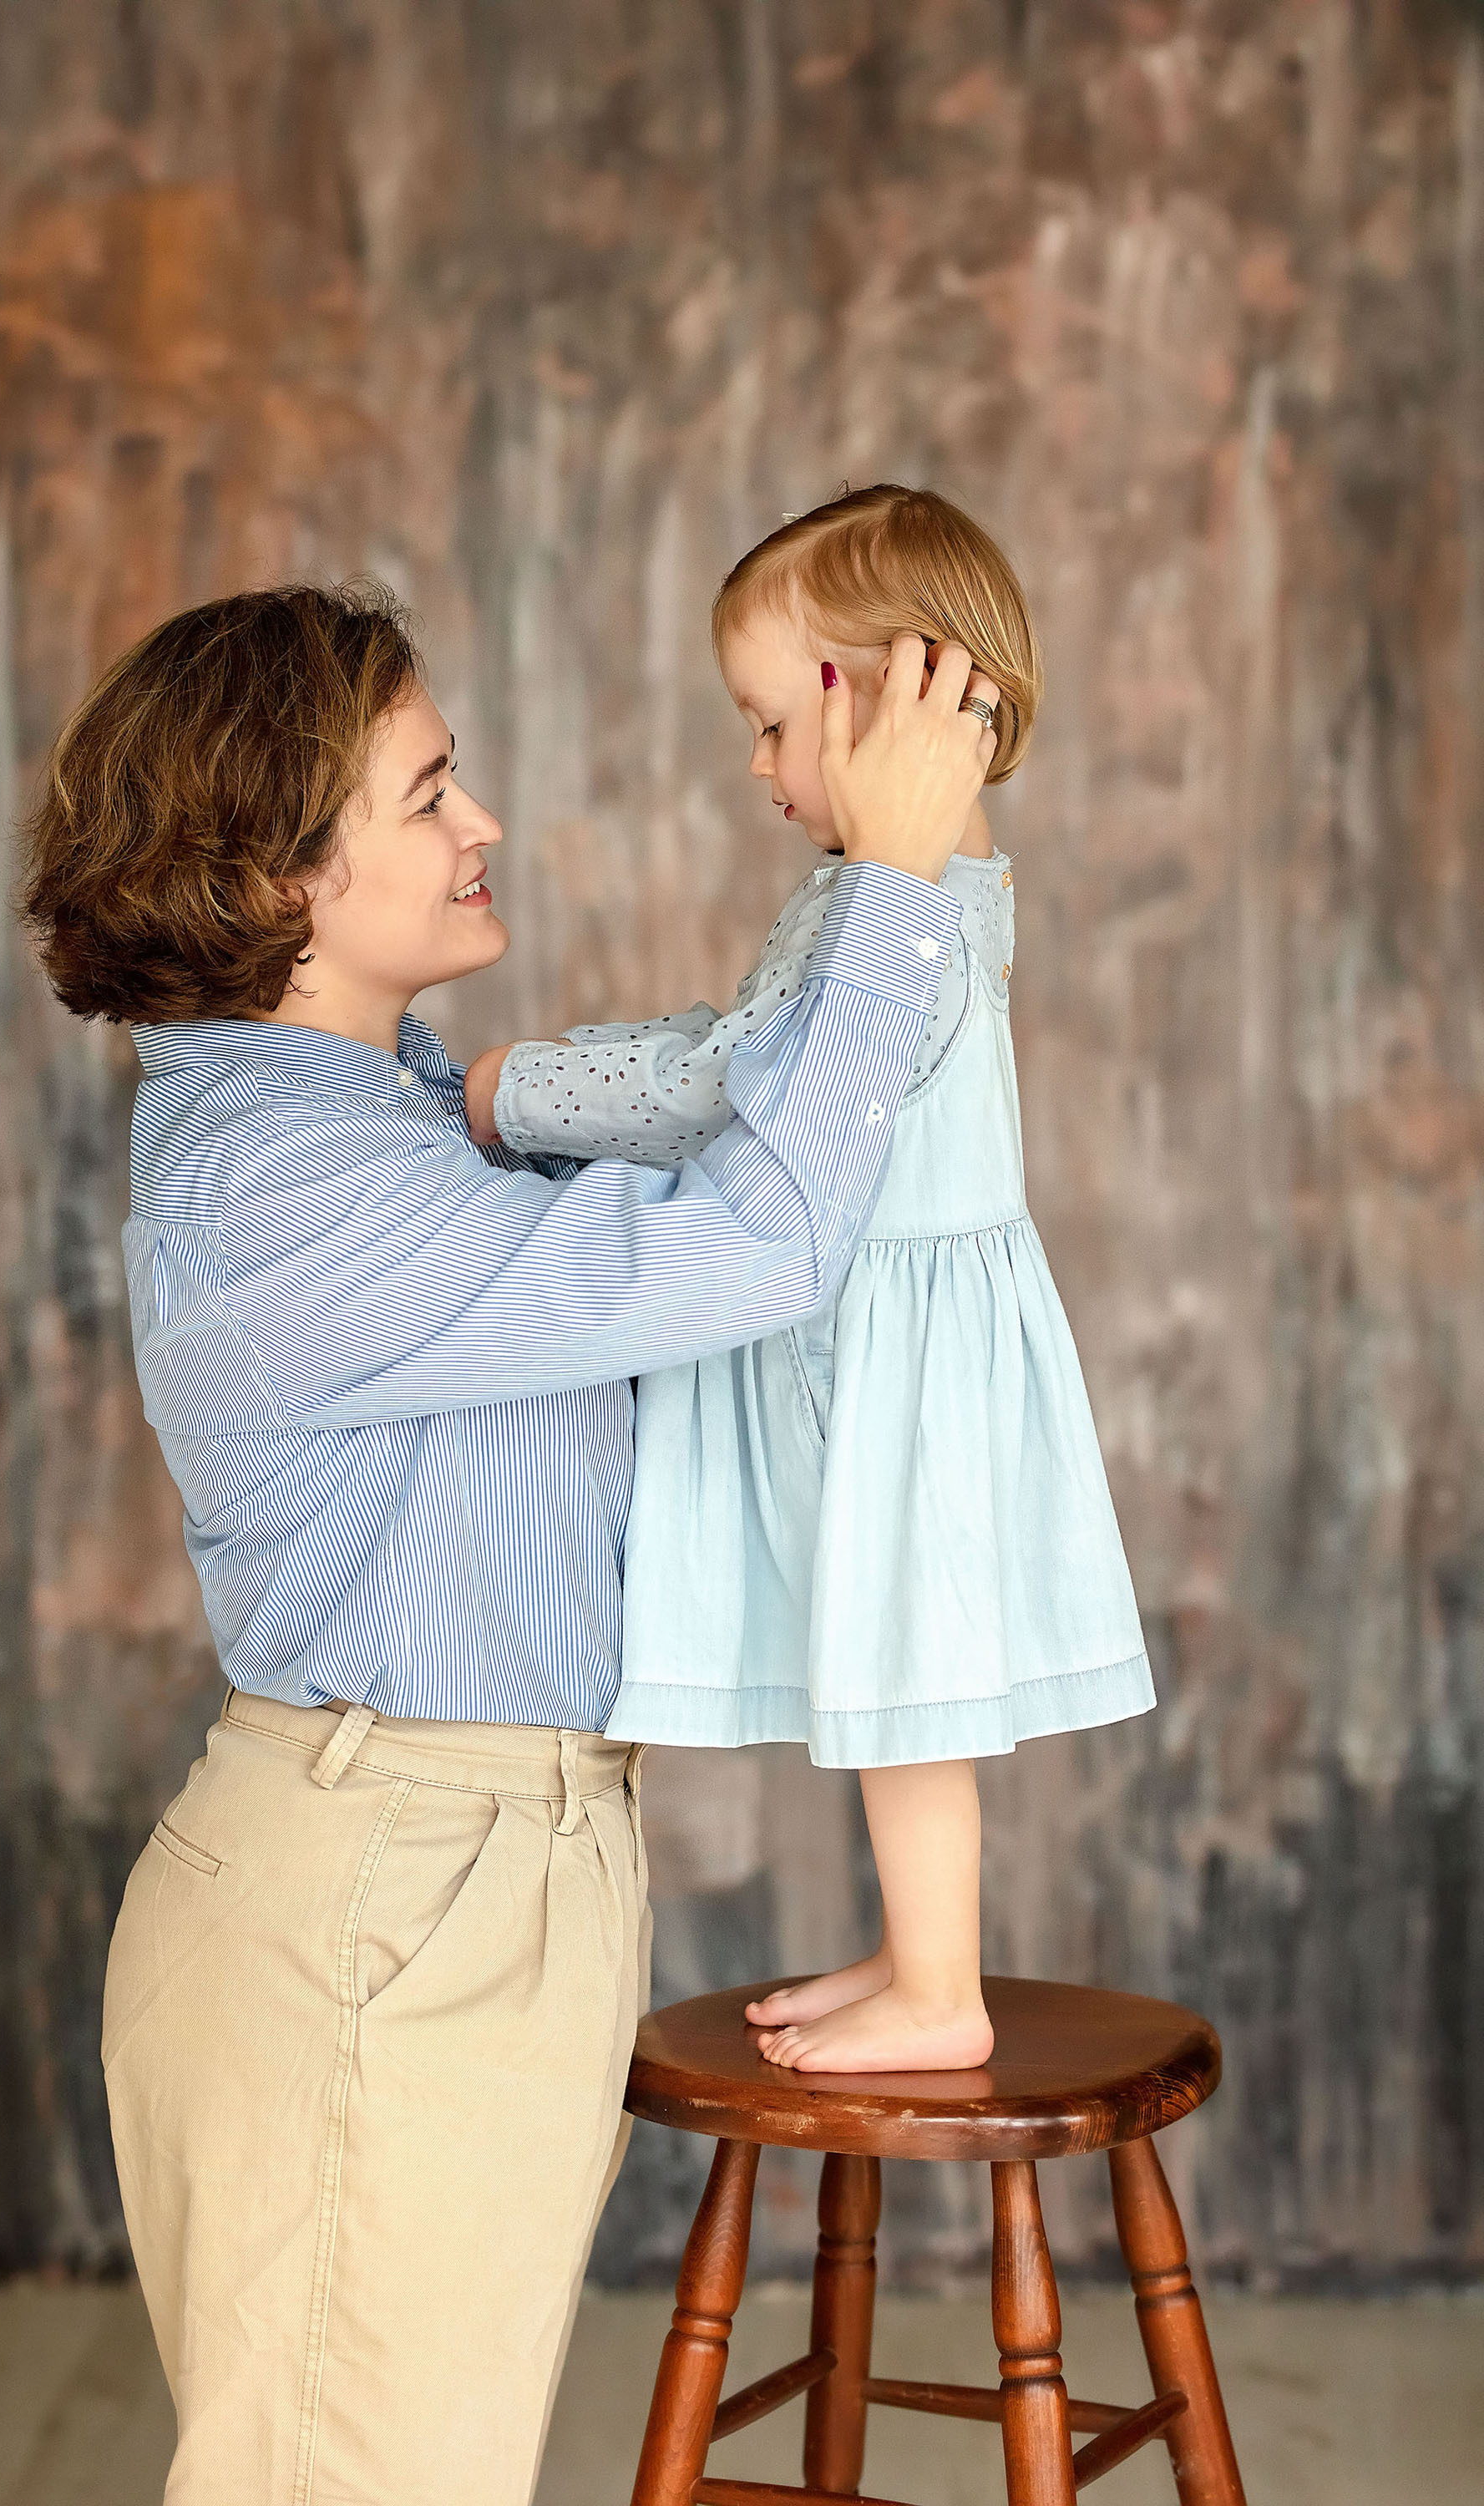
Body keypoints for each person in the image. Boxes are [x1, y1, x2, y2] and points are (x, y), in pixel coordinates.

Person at [18, 576, 1000, 2506]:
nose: (480, 821)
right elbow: (756, 1247)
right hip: (386, 1901)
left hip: (457, 1877)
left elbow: (705, 1148)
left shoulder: (373, 1111)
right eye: (427, 792)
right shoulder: (286, 1181)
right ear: (280, 879)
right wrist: (892, 886)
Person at [467, 485, 1155, 2080]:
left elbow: (733, 1083)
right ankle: (918, 1955)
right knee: (890, 1668)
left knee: (910, 1678)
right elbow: (752, 1054)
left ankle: (942, 1989)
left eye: (772, 723)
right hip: (890, 1336)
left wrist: (521, 1090)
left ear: (887, 701)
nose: (760, 766)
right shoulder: (926, 896)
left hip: (893, 1354)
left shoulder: (900, 918)